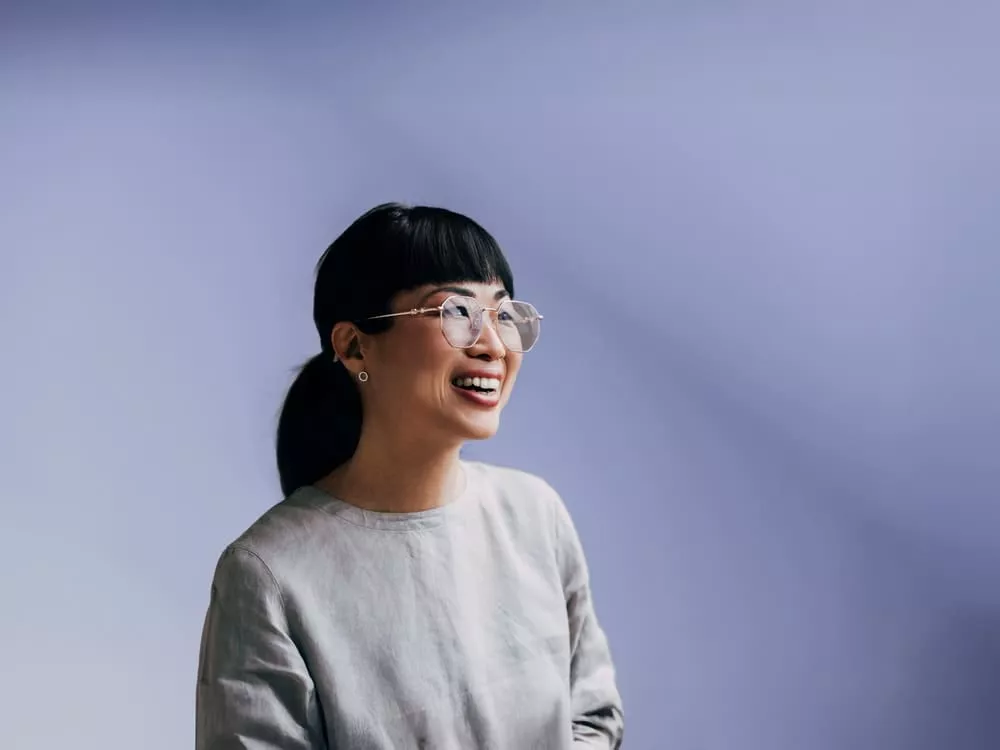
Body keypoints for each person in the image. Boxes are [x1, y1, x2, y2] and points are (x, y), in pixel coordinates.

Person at [195, 202, 624, 749]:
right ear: (354, 346)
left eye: (502, 315)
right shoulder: (267, 575)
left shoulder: (536, 514)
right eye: (455, 313)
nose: (492, 345)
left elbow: (592, 717)